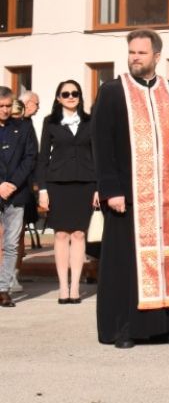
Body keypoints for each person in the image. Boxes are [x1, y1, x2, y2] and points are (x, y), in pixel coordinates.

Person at [92, 30, 169, 347]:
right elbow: (101, 144)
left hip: (168, 195)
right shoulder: (113, 92)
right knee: (126, 263)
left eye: (141, 52)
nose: (135, 58)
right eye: (132, 52)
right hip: (128, 197)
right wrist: (110, 189)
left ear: (156, 56)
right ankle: (126, 328)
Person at [36, 80, 99, 305]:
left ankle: (75, 288)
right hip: (58, 184)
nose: (71, 97)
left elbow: (98, 156)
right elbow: (43, 157)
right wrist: (43, 189)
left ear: (80, 97)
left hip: (85, 183)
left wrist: (98, 187)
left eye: (75, 93)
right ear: (58, 98)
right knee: (61, 234)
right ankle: (63, 286)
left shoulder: (91, 121)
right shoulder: (50, 122)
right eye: (66, 94)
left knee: (79, 234)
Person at [0, 87, 38, 308]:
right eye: (1, 106)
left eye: (8, 106)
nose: (5, 110)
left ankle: (3, 289)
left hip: (16, 193)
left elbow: (30, 157)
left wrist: (12, 184)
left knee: (12, 244)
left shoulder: (23, 128)